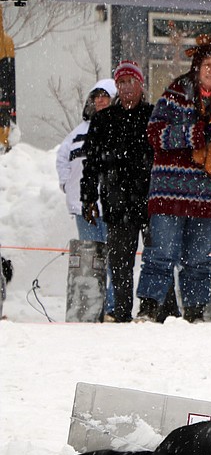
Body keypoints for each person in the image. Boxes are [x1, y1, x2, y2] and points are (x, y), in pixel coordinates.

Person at [136, 36, 211, 322]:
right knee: (161, 254)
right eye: (207, 65)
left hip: (207, 196)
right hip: (169, 191)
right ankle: (148, 308)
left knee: (198, 260)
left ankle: (195, 312)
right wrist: (190, 135)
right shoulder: (175, 93)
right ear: (197, 67)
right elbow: (154, 134)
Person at [80, 61, 155, 323]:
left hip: (149, 201)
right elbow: (91, 164)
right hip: (116, 201)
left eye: (130, 82)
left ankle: (154, 308)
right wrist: (87, 197)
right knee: (121, 263)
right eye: (120, 83)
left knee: (156, 257)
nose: (125, 88)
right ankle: (121, 312)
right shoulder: (103, 120)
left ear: (140, 84)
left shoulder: (153, 115)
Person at [58, 78, 117, 318]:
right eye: (97, 96)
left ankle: (111, 307)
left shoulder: (120, 126)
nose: (100, 100)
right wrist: (66, 184)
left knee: (114, 261)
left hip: (113, 207)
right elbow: (62, 159)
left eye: (105, 96)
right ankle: (93, 308)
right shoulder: (77, 133)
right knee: (90, 260)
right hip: (85, 208)